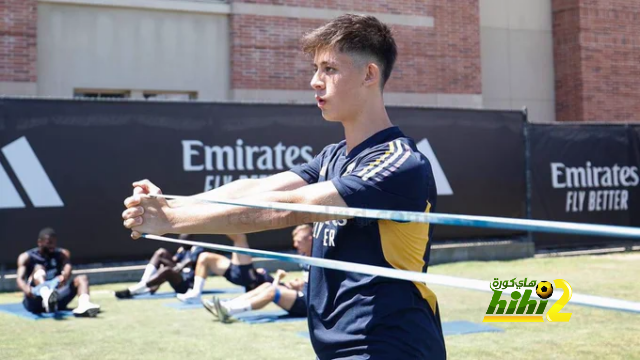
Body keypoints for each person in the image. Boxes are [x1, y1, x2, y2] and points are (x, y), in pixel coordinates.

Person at [122, 14, 445, 360]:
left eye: (329, 69)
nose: (315, 82)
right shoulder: (332, 156)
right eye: (315, 69)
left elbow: (287, 207)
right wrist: (171, 205)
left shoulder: (399, 162)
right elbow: (255, 189)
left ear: (369, 74)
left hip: (390, 347)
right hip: (340, 347)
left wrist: (170, 222)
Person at [202, 224, 313, 322]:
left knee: (273, 291)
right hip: (302, 295)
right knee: (266, 285)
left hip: (310, 304)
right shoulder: (303, 257)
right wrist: (298, 283)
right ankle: (225, 305)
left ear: (310, 239)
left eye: (298, 241)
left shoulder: (319, 259)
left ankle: (229, 311)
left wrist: (302, 285)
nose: (295, 245)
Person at [16, 227, 101, 317]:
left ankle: (84, 305)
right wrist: (27, 290)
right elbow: (19, 279)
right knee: (39, 267)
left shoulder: (62, 254)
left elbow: (68, 266)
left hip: (56, 295)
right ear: (40, 242)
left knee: (82, 278)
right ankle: (45, 293)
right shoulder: (26, 257)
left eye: (54, 243)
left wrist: (64, 277)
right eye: (49, 243)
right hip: (35, 298)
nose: (52, 246)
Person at [176, 233, 275, 302]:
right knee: (204, 257)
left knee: (240, 238)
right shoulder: (271, 283)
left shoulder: (273, 285)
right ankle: (196, 294)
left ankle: (218, 220)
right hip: (241, 274)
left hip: (247, 277)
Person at [114, 234, 205, 298]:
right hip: (178, 276)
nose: (181, 244)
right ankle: (143, 283)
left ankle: (134, 290)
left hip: (187, 284)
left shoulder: (197, 248)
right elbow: (174, 261)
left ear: (190, 241)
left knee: (167, 270)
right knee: (161, 253)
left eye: (184, 242)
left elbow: (187, 263)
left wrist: (171, 268)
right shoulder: (182, 249)